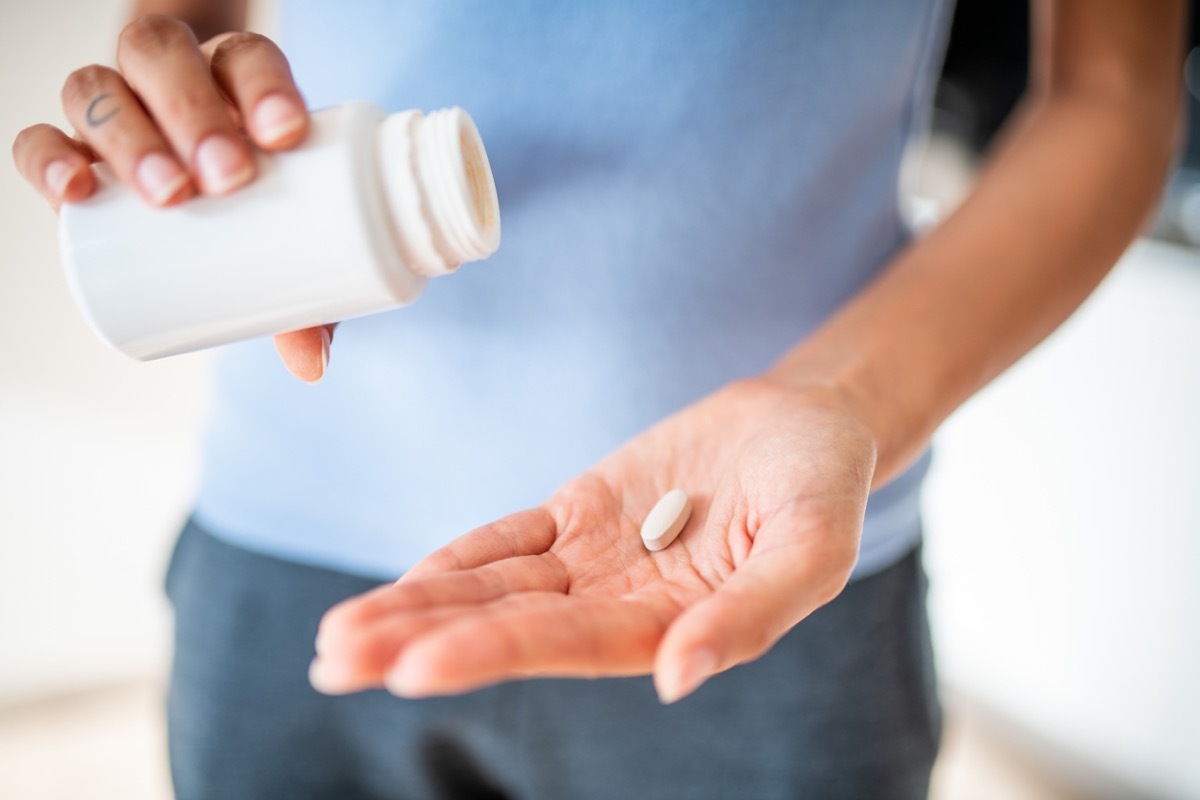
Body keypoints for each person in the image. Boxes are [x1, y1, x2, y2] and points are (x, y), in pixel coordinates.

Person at [12, 1, 1184, 798]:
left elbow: (1113, 94)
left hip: (766, 576)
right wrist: (172, 108)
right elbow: (185, 24)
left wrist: (836, 395)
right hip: (287, 555)